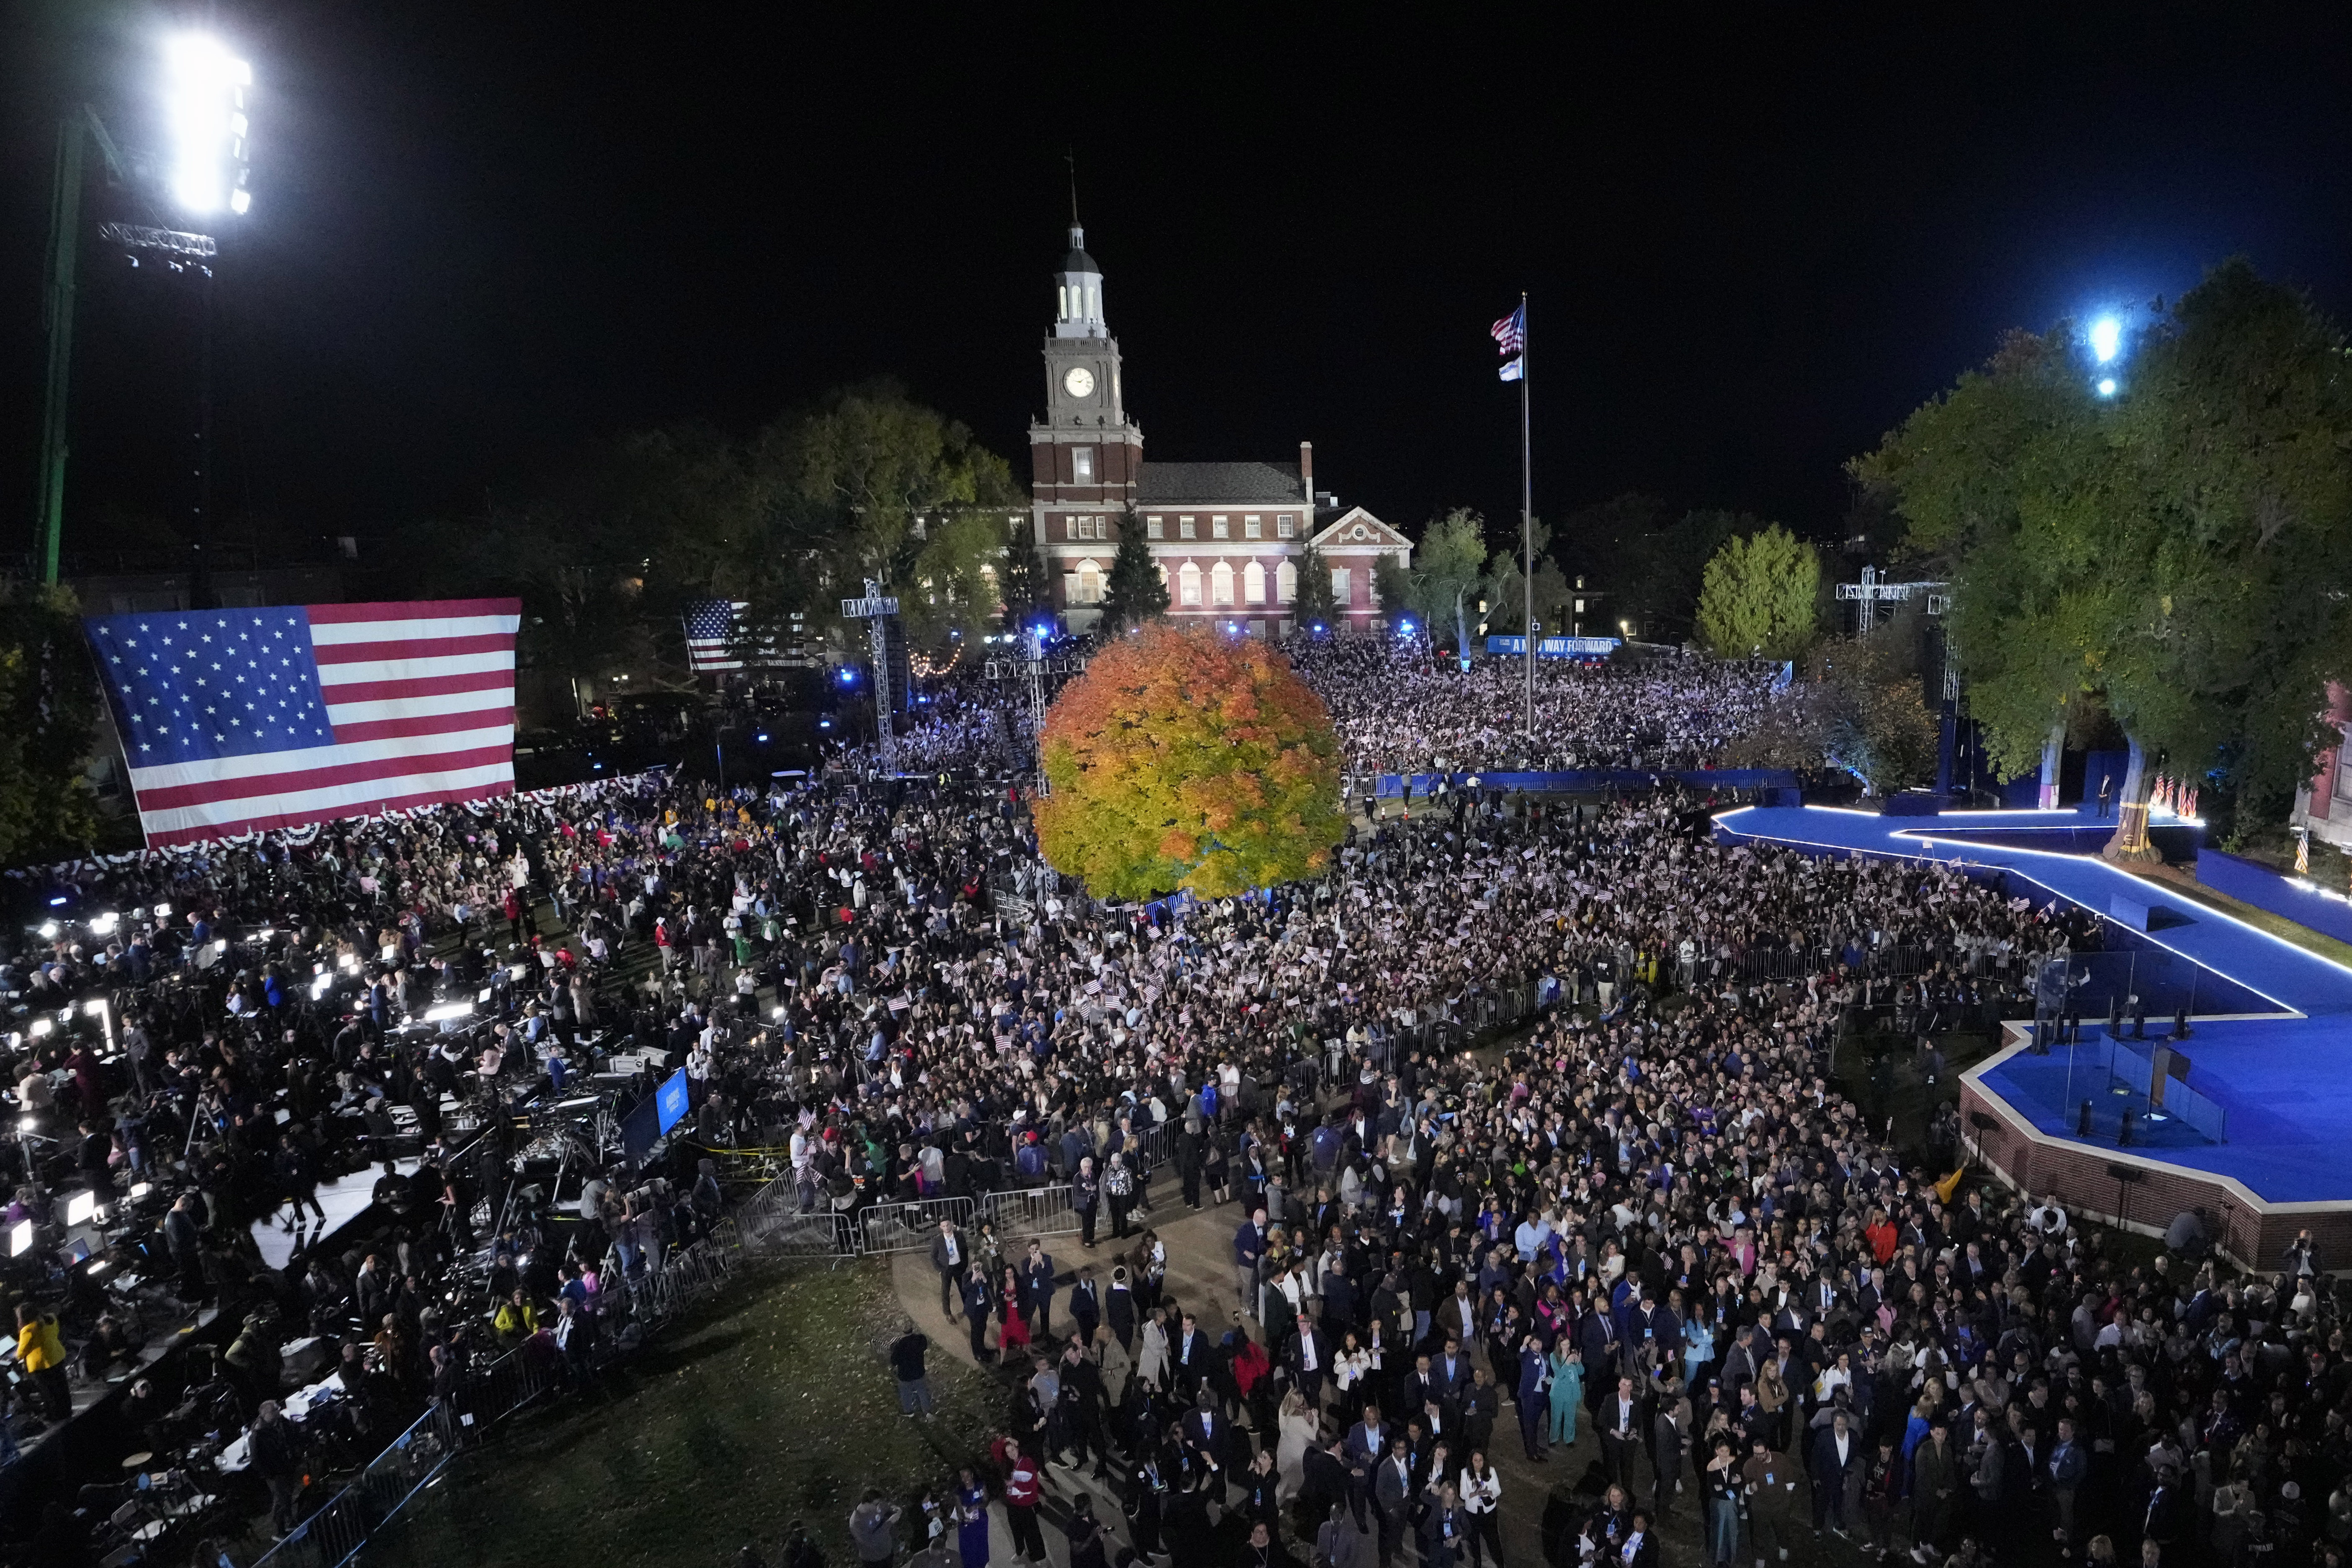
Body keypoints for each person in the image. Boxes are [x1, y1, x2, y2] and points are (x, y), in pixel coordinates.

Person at [250, 1399, 309, 1538]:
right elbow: (256, 1460)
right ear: (266, 1414)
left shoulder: (279, 1423)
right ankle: (280, 1531)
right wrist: (268, 1474)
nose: (279, 1411)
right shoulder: (258, 1435)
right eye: (275, 1410)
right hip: (275, 1473)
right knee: (281, 1501)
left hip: (285, 1467)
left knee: (287, 1497)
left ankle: (290, 1522)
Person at [850, 1490, 903, 1568]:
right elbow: (872, 1541)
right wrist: (890, 1523)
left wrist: (893, 1509)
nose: (879, 1506)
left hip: (887, 1552)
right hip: (874, 1559)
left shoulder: (874, 1507)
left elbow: (885, 1506)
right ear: (867, 1504)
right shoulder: (857, 1523)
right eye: (876, 1504)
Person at [891, 1323, 934, 1418]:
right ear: (912, 1330)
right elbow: (925, 1347)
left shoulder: (899, 1346)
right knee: (922, 1390)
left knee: (906, 1392)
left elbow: (894, 1361)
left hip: (905, 1375)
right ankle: (927, 1411)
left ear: (902, 1332)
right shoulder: (921, 1339)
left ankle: (908, 1411)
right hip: (919, 1371)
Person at [933, 1219, 968, 1318]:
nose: (946, 1228)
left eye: (948, 1225)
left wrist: (964, 1265)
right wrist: (940, 1270)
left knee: (963, 1288)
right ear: (941, 1228)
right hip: (946, 1268)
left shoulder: (959, 1236)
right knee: (945, 1291)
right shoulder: (938, 1240)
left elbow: (965, 1250)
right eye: (944, 1226)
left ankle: (968, 1309)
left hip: (959, 1266)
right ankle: (948, 1314)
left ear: (951, 1224)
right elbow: (933, 1257)